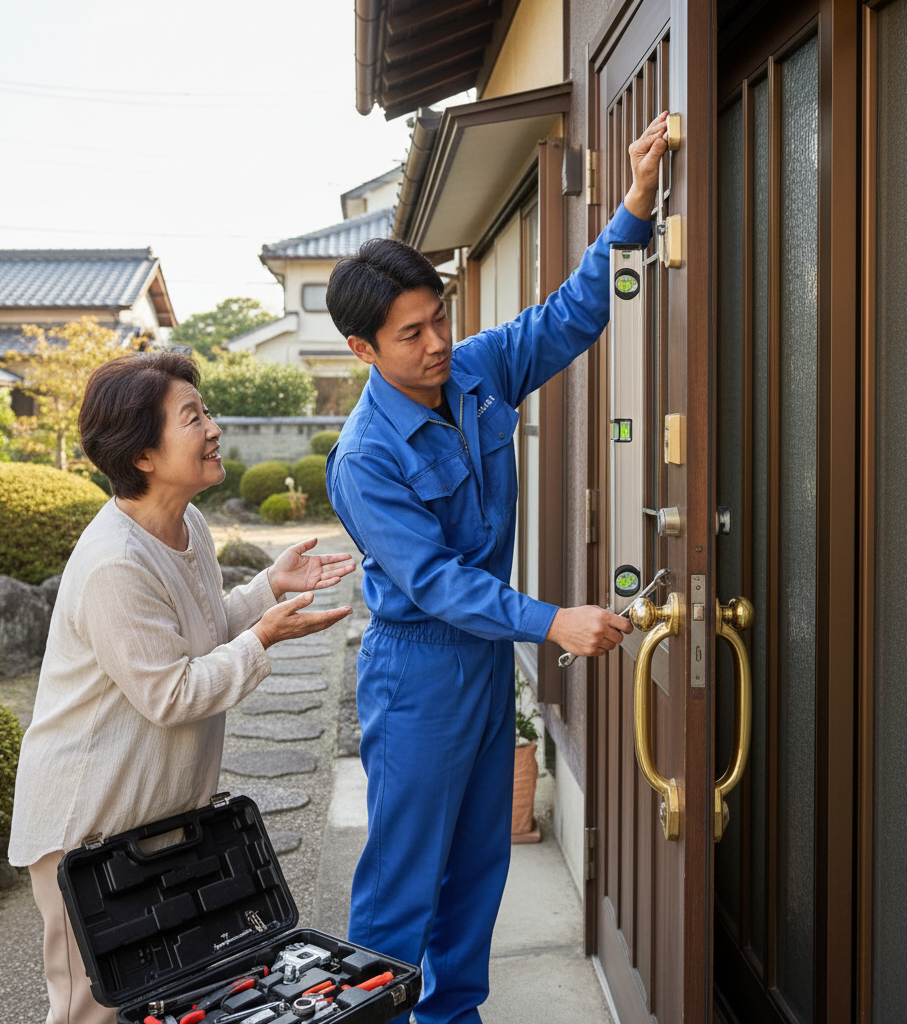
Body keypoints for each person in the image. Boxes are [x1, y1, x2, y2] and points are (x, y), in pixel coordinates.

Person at [323, 113, 669, 1023]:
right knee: (403, 884)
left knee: (480, 866)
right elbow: (433, 580)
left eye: (439, 318)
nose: (435, 343)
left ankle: (454, 1015)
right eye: (410, 335)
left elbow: (567, 316)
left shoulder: (474, 373)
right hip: (417, 671)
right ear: (364, 350)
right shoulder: (364, 459)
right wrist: (553, 621)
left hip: (481, 659)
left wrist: (632, 205)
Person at [8, 352, 354, 1024]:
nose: (214, 428)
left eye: (207, 411)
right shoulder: (114, 562)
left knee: (167, 997)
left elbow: (198, 633)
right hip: (87, 829)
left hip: (151, 820)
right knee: (91, 1009)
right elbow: (170, 693)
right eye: (193, 416)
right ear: (141, 451)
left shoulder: (186, 524)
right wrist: (264, 638)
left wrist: (264, 592)